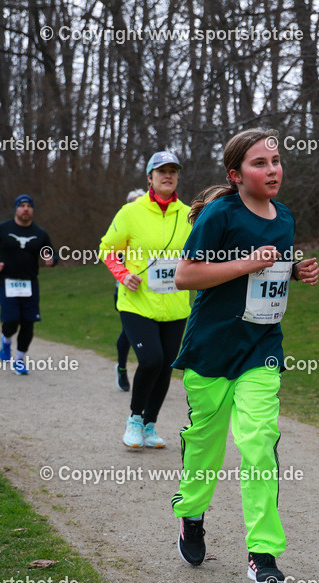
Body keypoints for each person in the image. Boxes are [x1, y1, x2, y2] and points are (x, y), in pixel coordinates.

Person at [171, 129, 319, 583]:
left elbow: (270, 269)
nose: (272, 170)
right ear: (236, 175)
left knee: (259, 443)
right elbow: (185, 276)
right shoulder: (220, 214)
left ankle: (263, 553)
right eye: (260, 163)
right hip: (212, 350)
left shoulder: (285, 217)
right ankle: (192, 515)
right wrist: (246, 263)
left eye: (276, 161)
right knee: (205, 449)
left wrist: (294, 269)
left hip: (262, 348)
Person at [100, 154, 192, 448]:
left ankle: (150, 425)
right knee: (151, 359)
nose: (168, 176)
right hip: (137, 303)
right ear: (149, 178)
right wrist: (123, 274)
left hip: (175, 305)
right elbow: (107, 249)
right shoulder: (131, 212)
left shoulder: (189, 214)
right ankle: (134, 420)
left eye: (172, 171)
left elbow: (199, 254)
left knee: (166, 365)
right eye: (161, 171)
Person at [0, 194, 58, 375]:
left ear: (32, 210)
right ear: (16, 209)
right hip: (7, 282)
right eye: (22, 205)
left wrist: (51, 259)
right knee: (11, 321)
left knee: (28, 323)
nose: (25, 209)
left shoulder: (40, 233)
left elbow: (52, 253)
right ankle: (6, 341)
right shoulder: (2, 228)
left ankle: (20, 360)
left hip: (30, 283)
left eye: (29, 206)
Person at [114, 188, 147, 392]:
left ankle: (152, 371)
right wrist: (125, 275)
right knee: (129, 331)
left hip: (154, 290)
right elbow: (111, 254)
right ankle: (122, 367)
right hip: (126, 289)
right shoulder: (123, 226)